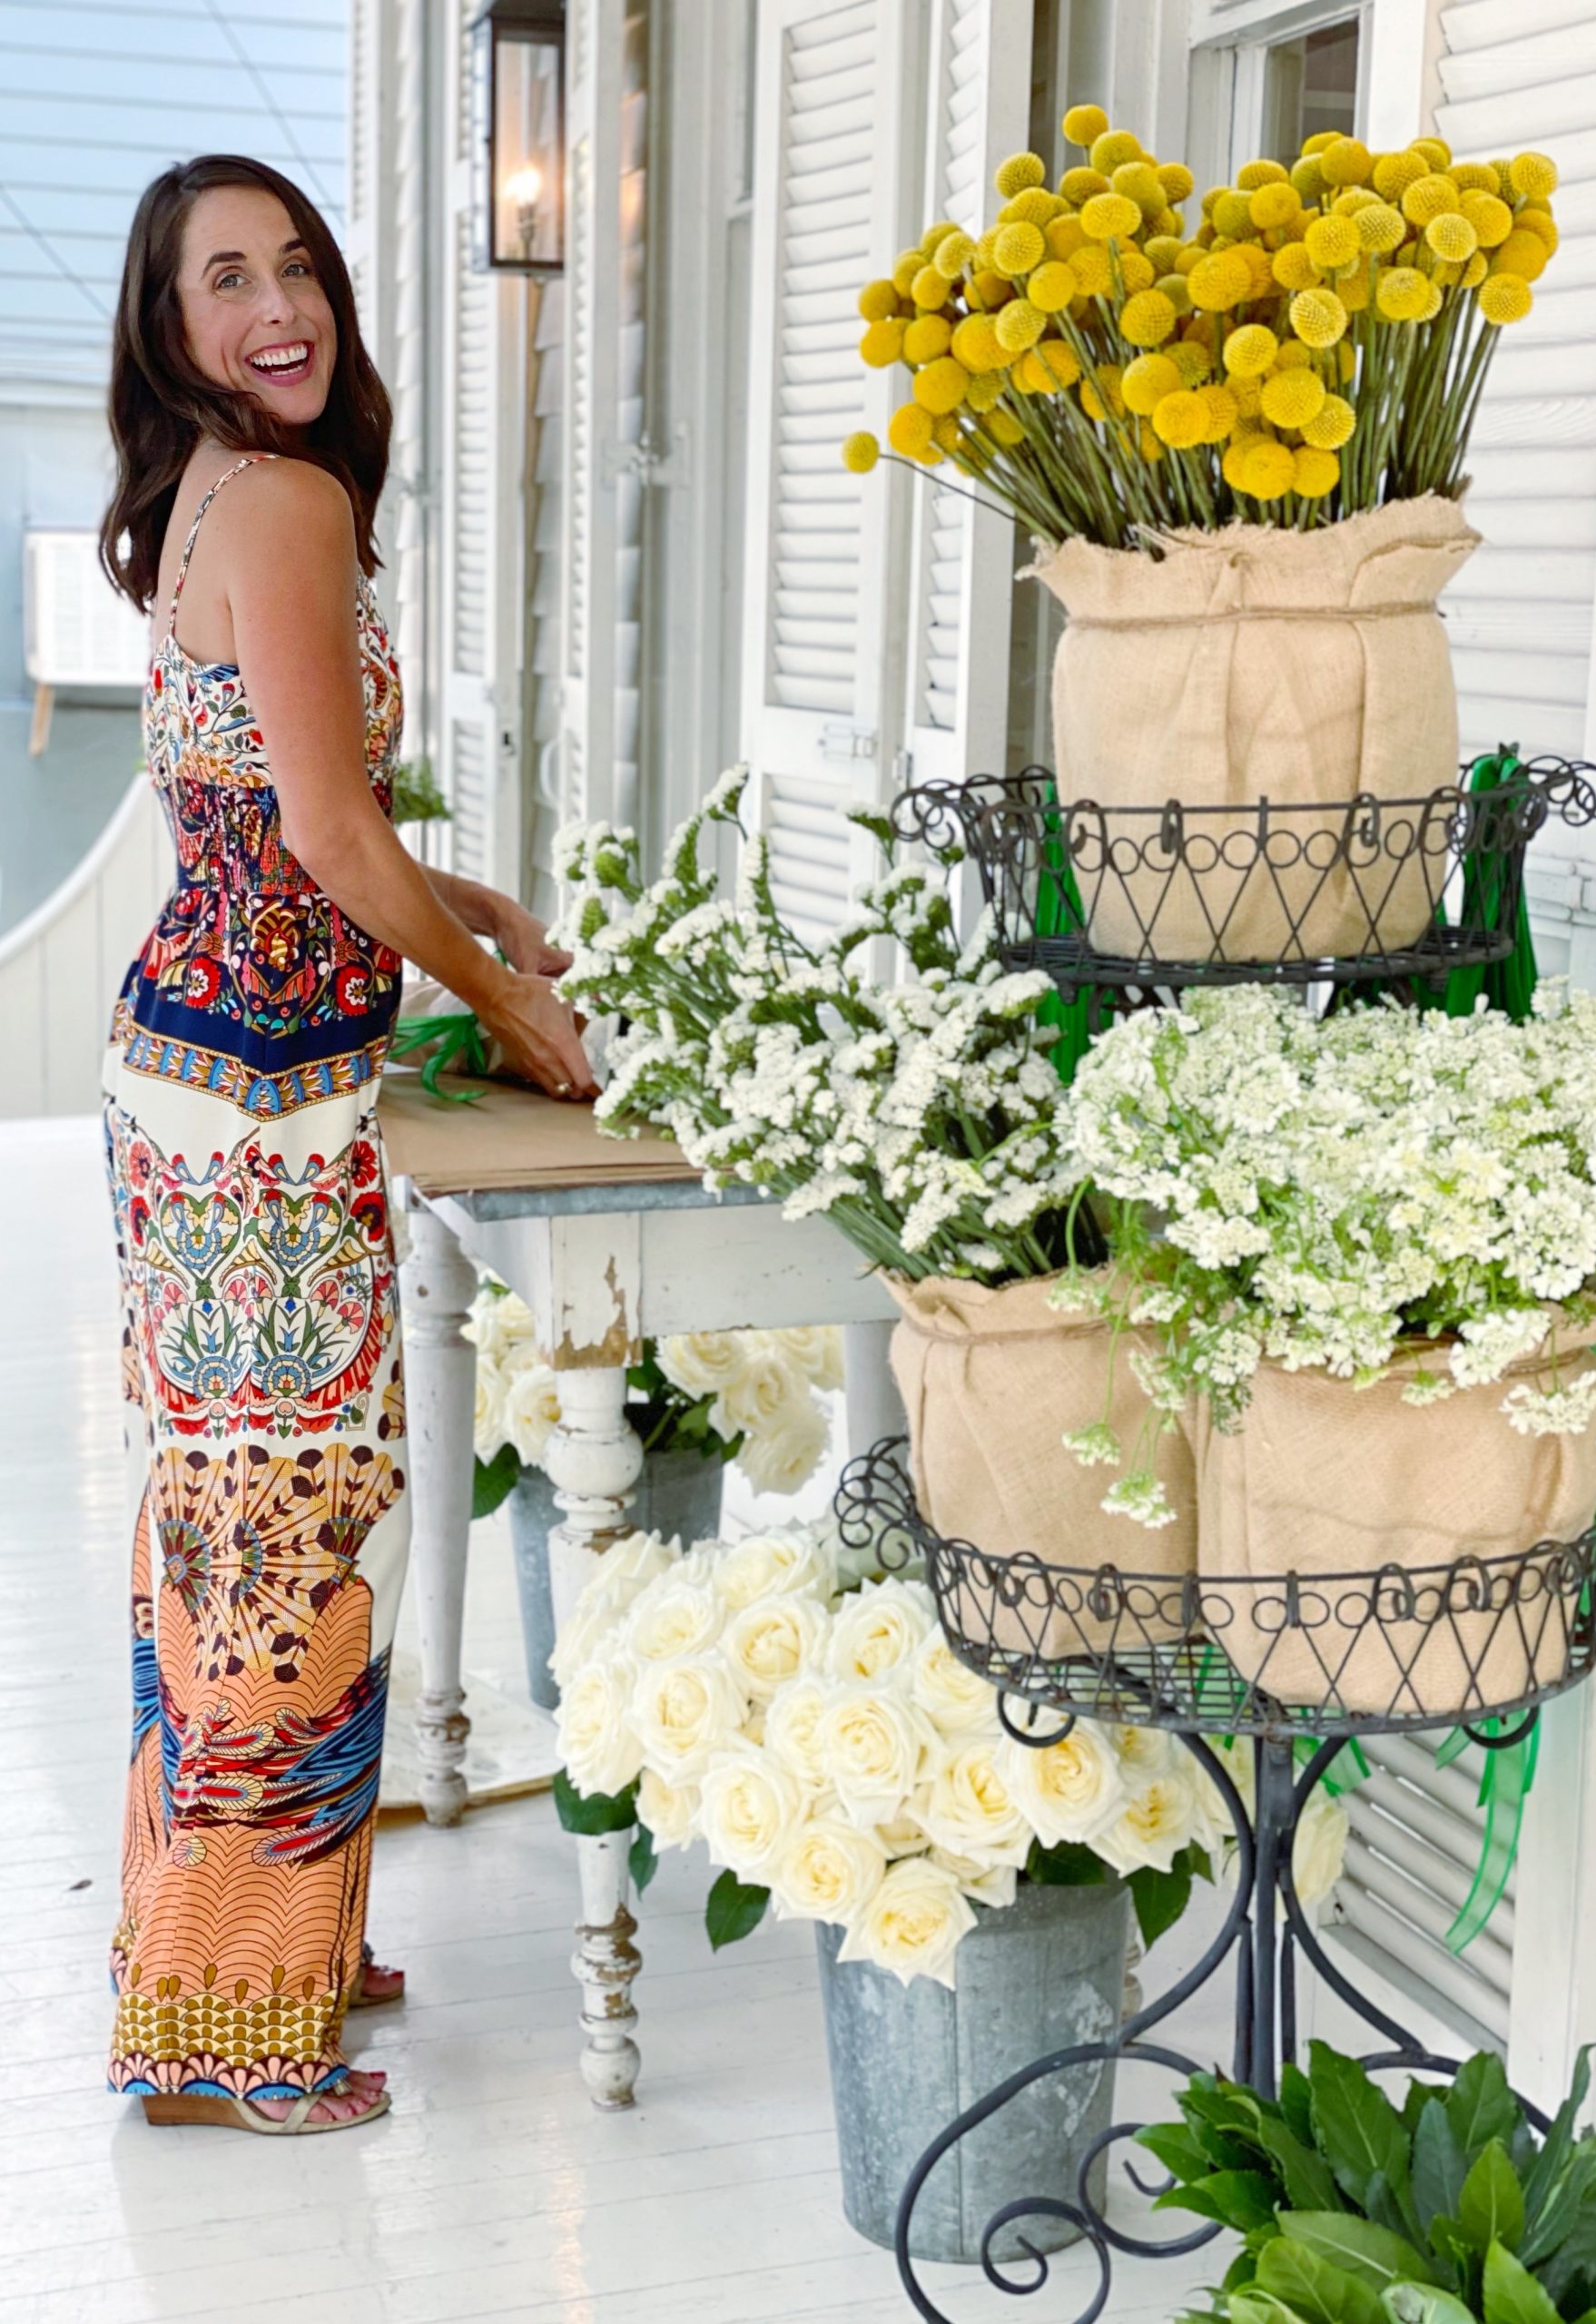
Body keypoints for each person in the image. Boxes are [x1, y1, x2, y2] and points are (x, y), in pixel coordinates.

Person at [97, 153, 593, 2134]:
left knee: (233, 1529)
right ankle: (233, 2029)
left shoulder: (211, 493)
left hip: (205, 1078)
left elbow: (272, 809)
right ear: (169, 324)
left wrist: (464, 903)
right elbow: (316, 832)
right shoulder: (284, 501)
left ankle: (265, 1937)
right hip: (254, 1108)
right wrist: (510, 1004)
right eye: (227, 278)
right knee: (285, 1542)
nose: (279, 306)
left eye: (296, 264)